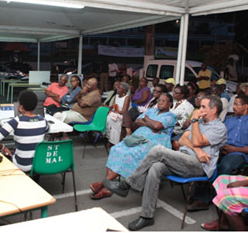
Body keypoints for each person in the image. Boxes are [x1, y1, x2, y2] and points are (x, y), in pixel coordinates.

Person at [103, 95, 227, 231]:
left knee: (158, 150)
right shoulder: (200, 123)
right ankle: (147, 216)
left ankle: (127, 184)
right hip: (183, 158)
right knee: (156, 167)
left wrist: (195, 121)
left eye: (203, 107)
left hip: (199, 166)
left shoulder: (219, 128)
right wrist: (198, 150)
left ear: (214, 110)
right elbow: (182, 140)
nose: (199, 109)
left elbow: (197, 140)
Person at [89, 93, 176, 200]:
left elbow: (158, 126)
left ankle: (103, 184)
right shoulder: (152, 110)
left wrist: (147, 119)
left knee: (128, 154)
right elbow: (138, 121)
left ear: (170, 104)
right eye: (159, 100)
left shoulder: (171, 116)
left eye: (164, 101)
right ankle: (108, 186)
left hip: (155, 142)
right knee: (115, 149)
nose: (160, 103)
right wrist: (151, 124)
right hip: (138, 137)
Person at [188, 94, 248, 212]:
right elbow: (219, 136)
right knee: (205, 158)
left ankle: (212, 198)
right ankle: (198, 194)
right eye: (233, 104)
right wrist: (221, 147)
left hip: (239, 153)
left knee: (226, 165)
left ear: (246, 106)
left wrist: (235, 149)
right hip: (222, 149)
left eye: (237, 105)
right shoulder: (229, 120)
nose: (233, 107)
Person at [0, 90, 49, 172]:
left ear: (21, 106)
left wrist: (3, 148)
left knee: (7, 154)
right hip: (38, 164)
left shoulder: (16, 122)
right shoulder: (43, 120)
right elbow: (47, 129)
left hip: (22, 165)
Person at [104, 82, 131, 148]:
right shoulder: (116, 96)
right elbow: (113, 107)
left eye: (119, 88)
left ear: (124, 90)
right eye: (118, 87)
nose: (117, 89)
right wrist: (111, 110)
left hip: (123, 116)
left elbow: (124, 111)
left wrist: (116, 111)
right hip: (116, 114)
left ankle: (113, 141)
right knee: (108, 118)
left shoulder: (127, 97)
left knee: (111, 120)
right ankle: (112, 140)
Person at [170, 85, 195, 151]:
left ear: (182, 95)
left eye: (176, 93)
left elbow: (183, 123)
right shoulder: (173, 102)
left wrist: (168, 120)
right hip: (167, 127)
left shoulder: (188, 106)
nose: (173, 94)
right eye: (174, 92)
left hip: (176, 131)